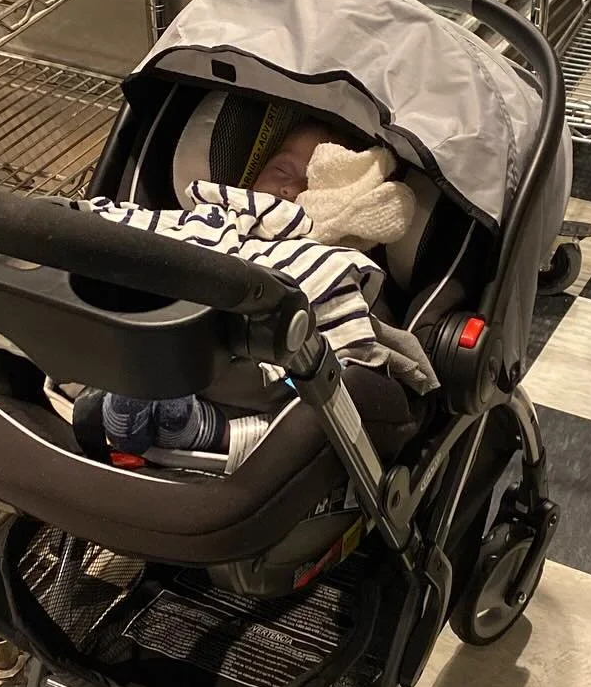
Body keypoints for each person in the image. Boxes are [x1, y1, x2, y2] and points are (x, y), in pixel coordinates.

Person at [81, 114, 427, 467]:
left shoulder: (332, 258)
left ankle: (202, 428)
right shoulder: (210, 216)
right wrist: (78, 219)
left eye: (312, 184)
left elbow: (346, 339)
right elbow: (140, 227)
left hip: (263, 369)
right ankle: (153, 403)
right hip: (174, 336)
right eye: (281, 170)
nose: (290, 189)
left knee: (317, 399)